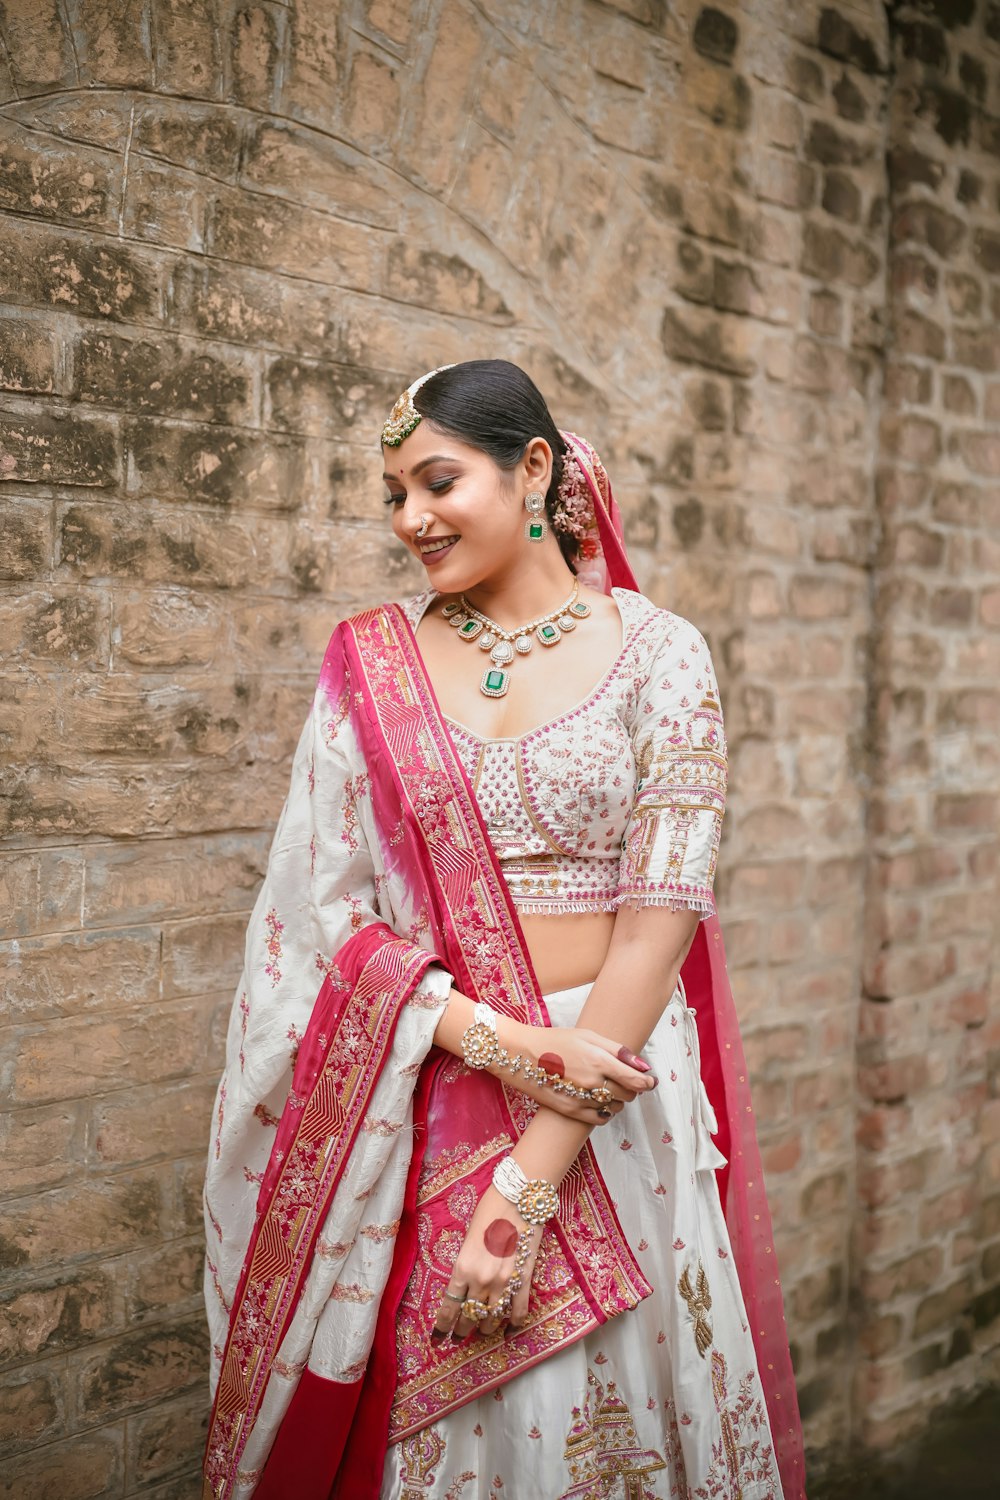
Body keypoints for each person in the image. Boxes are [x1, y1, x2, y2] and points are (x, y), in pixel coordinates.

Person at [202, 360, 805, 1500]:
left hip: (617, 1092)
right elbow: (322, 916)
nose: (409, 519)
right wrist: (498, 1044)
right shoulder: (371, 665)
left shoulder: (660, 651)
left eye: (436, 481)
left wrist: (529, 1186)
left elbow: (660, 911)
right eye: (392, 494)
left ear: (533, 469)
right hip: (436, 1080)